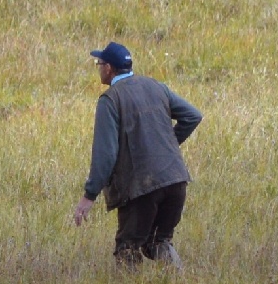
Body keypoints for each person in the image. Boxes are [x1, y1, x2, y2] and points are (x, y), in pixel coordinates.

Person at [73, 42, 202, 272]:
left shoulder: (110, 100)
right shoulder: (156, 87)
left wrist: (89, 195)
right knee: (159, 242)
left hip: (142, 188)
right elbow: (192, 116)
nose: (98, 68)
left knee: (128, 249)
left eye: (99, 63)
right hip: (176, 179)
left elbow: (106, 154)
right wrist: (168, 146)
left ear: (109, 68)